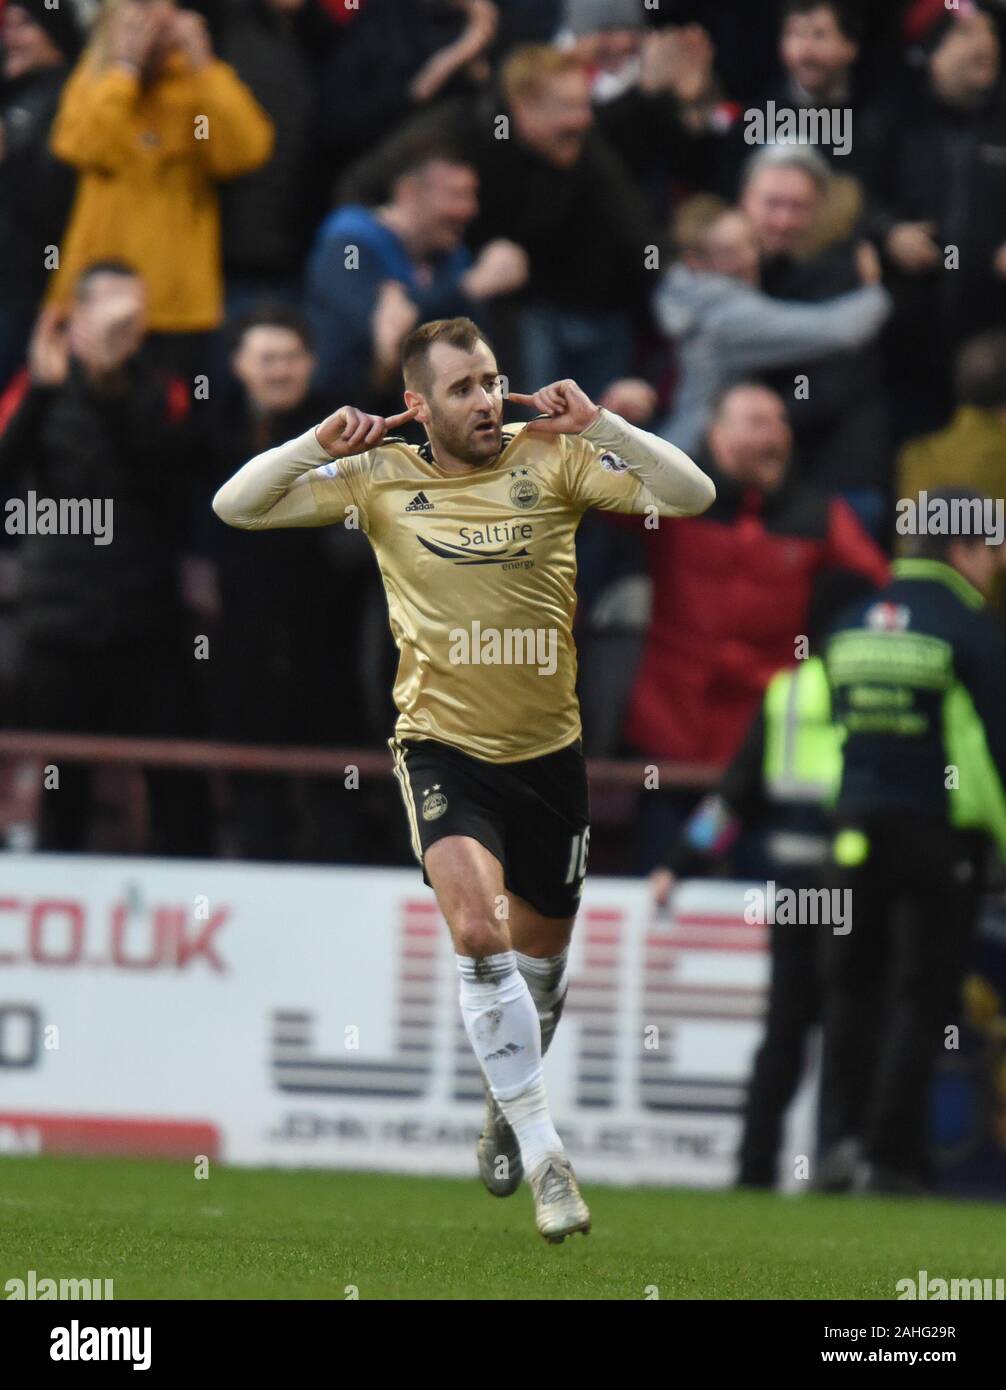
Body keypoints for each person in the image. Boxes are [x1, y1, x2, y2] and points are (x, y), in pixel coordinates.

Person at [212, 314, 716, 1241]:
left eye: (490, 380)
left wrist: (602, 424)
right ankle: (548, 1156)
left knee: (543, 973)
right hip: (441, 749)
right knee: (478, 934)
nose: (487, 400)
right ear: (417, 406)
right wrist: (314, 445)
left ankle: (505, 1107)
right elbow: (235, 507)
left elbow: (689, 493)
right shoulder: (376, 477)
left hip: (551, 757)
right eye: (462, 389)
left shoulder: (552, 458)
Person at [818, 487, 1006, 1194]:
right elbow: (993, 750)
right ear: (963, 548)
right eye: (993, 550)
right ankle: (892, 1160)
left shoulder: (848, 621)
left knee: (851, 989)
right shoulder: (972, 631)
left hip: (851, 830)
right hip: (938, 834)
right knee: (922, 996)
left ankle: (838, 1142)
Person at [624, 381, 889, 869]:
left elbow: (880, 589)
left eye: (783, 422)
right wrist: (609, 427)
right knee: (659, 893)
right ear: (718, 435)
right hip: (670, 740)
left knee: (751, 909)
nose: (778, 436)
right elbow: (591, 505)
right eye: (760, 423)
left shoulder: (820, 515)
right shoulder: (672, 499)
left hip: (757, 757)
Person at [0, 261, 211, 855]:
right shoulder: (33, 383)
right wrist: (43, 394)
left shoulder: (164, 388)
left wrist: (111, 392)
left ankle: (189, 902)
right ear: (78, 314)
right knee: (62, 778)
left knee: (174, 777)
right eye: (114, 307)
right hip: (58, 616)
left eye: (136, 309)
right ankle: (57, 907)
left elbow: (169, 482)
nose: (127, 320)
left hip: (146, 615)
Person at [47, 0, 273, 375]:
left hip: (177, 306)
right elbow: (80, 147)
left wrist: (206, 67)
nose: (146, 22)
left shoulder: (195, 82)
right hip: (95, 298)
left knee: (170, 422)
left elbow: (246, 152)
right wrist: (124, 71)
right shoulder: (98, 75)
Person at [655, 196, 890, 457]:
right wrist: (876, 289)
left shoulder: (689, 297)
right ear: (695, 262)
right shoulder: (727, 316)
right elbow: (837, 331)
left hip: (679, 448)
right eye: (730, 252)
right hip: (692, 457)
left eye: (751, 244)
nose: (749, 259)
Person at [306, 131, 527, 406]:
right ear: (408, 192)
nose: (470, 209)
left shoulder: (448, 258)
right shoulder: (350, 243)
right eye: (456, 195)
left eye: (472, 195)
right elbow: (379, 335)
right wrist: (470, 288)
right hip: (347, 414)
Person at [0, 0, 84, 391]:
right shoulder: (17, 93)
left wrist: (9, 160)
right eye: (8, 25)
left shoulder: (69, 94)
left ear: (54, 32)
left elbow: (58, 203)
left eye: (26, 26)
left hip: (28, 288)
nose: (11, 36)